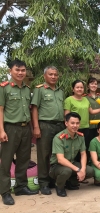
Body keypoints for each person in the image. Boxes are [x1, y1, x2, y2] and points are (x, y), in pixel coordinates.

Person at [0, 59, 39, 205]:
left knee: (24, 159)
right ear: (10, 71)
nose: (20, 73)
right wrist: (1, 130)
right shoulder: (4, 88)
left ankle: (21, 187)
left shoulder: (27, 89)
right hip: (10, 128)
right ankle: (4, 192)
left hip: (25, 128)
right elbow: (0, 110)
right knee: (6, 161)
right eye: (17, 70)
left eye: (23, 70)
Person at [31, 66, 65, 195]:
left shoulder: (60, 91)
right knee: (44, 155)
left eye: (55, 74)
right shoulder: (39, 90)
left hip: (60, 126)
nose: (53, 77)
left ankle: (54, 180)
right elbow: (34, 108)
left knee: (57, 155)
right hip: (45, 125)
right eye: (50, 74)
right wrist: (36, 127)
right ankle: (43, 183)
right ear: (45, 76)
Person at [49, 112, 95, 197]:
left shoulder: (80, 136)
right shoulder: (59, 138)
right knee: (67, 171)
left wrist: (83, 169)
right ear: (66, 123)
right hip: (57, 166)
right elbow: (60, 159)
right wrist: (78, 170)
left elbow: (83, 154)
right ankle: (59, 185)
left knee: (90, 171)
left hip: (71, 163)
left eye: (77, 123)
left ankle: (71, 181)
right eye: (72, 123)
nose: (75, 125)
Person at [64, 80, 100, 162]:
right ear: (73, 89)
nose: (79, 89)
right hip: (74, 129)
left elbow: (91, 111)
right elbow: (66, 115)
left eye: (81, 87)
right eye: (77, 87)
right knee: (74, 149)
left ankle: (84, 167)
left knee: (84, 148)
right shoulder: (69, 100)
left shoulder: (85, 99)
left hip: (86, 128)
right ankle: (74, 168)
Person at [84, 77, 100, 151]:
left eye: (95, 84)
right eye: (92, 83)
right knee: (89, 144)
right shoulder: (85, 98)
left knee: (99, 144)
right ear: (88, 86)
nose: (94, 85)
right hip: (89, 125)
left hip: (99, 125)